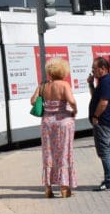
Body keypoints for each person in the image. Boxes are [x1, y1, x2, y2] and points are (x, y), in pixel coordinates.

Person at [31, 58, 78, 198]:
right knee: (64, 152)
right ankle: (64, 188)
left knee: (48, 153)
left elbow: (32, 101)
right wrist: (74, 110)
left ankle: (48, 188)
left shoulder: (43, 86)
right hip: (63, 121)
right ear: (63, 71)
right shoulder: (64, 85)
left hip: (47, 122)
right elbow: (71, 100)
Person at [88, 56, 110, 191]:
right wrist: (91, 84)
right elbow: (96, 97)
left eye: (94, 68)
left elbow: (103, 102)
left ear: (102, 68)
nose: (93, 71)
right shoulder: (104, 81)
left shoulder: (106, 82)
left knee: (104, 152)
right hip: (109, 122)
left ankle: (109, 182)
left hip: (104, 122)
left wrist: (96, 116)